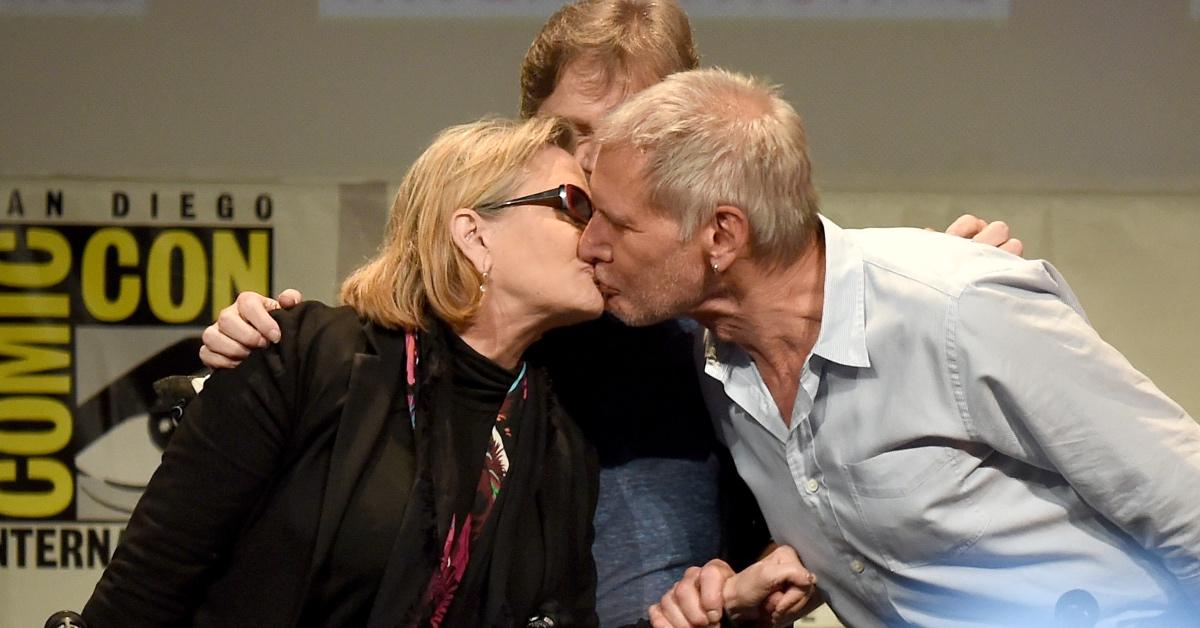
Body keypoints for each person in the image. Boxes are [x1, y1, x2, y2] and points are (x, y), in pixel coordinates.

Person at [197, 4, 1024, 625]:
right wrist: (260, 343)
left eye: (634, 132)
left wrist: (936, 291)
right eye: (577, 134)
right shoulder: (514, 305)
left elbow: (855, 469)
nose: (600, 166)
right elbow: (390, 334)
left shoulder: (755, 291)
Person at [572, 68, 1200, 627]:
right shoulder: (717, 366)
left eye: (618, 224)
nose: (589, 245)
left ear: (722, 234)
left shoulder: (960, 308)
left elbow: (1187, 508)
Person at [82, 116, 604, 627]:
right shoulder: (300, 357)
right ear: (474, 235)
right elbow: (146, 589)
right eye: (576, 205)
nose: (597, 235)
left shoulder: (561, 441)